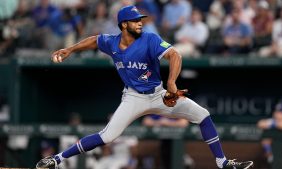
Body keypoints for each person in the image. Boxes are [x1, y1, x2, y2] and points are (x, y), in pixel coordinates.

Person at [36, 5, 253, 169]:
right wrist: (71, 49)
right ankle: (57, 159)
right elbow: (94, 40)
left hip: (160, 94)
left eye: (140, 19)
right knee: (108, 136)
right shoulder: (112, 42)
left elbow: (174, 54)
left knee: (203, 115)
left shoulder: (149, 38)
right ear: (123, 25)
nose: (140, 22)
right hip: (133, 97)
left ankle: (222, 162)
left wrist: (171, 82)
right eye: (135, 20)